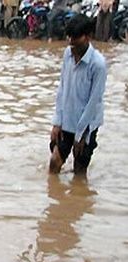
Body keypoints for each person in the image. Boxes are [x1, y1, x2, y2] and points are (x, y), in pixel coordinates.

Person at [49, 14, 106, 177]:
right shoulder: (68, 53)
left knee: (80, 172)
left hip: (87, 126)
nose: (71, 42)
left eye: (75, 38)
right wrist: (57, 122)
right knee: (54, 163)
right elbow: (62, 87)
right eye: (69, 37)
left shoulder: (98, 64)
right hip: (66, 119)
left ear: (88, 37)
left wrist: (80, 135)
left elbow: (94, 102)